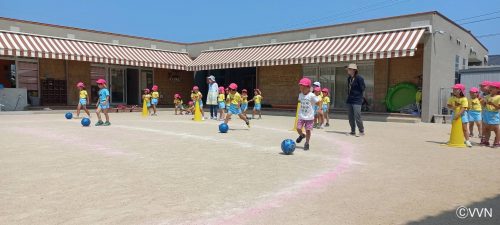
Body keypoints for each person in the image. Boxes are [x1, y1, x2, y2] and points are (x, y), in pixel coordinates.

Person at [296, 78, 319, 151]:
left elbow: (318, 102)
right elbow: (300, 102)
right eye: (301, 88)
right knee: (298, 128)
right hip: (301, 116)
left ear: (309, 88)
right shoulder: (300, 95)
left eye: (303, 88)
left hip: (309, 117)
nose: (302, 90)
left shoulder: (312, 95)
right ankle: (302, 135)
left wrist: (319, 108)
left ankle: (307, 142)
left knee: (308, 130)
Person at [345, 63, 365, 136]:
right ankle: (353, 131)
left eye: (349, 69)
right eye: (348, 69)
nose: (348, 70)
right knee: (350, 116)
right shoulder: (349, 78)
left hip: (357, 99)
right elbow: (349, 88)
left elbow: (363, 88)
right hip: (350, 99)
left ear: (354, 70)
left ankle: (361, 131)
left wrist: (358, 94)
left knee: (357, 115)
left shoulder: (359, 78)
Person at [482, 82, 500, 147]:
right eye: (490, 87)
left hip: (494, 114)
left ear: (498, 89)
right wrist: (483, 102)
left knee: (496, 129)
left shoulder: (498, 97)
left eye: (493, 87)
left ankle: (497, 142)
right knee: (487, 128)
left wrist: (492, 104)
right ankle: (486, 141)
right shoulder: (487, 96)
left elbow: (499, 107)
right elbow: (484, 105)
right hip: (487, 113)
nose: (490, 88)